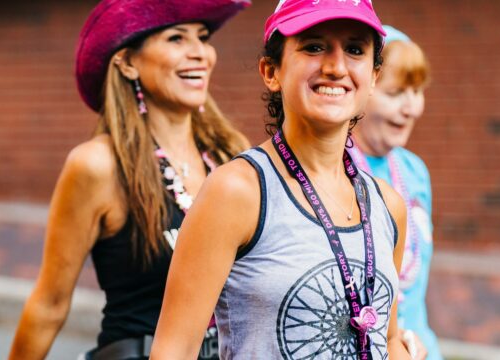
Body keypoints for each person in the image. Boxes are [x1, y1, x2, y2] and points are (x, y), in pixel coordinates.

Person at [150, 1, 424, 359]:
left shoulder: (387, 205)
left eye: (355, 50)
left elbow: (384, 339)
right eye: (313, 46)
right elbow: (174, 351)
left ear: (373, 77)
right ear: (271, 71)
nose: (336, 66)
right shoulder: (237, 191)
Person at [8, 0, 250, 359]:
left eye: (202, 37)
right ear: (128, 62)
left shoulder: (231, 154)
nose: (199, 53)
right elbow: (49, 305)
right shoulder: (98, 165)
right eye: (176, 39)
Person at [350, 25, 442, 360]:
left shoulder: (414, 171)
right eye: (396, 93)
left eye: (417, 91)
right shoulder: (333, 170)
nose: (412, 107)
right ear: (364, 88)